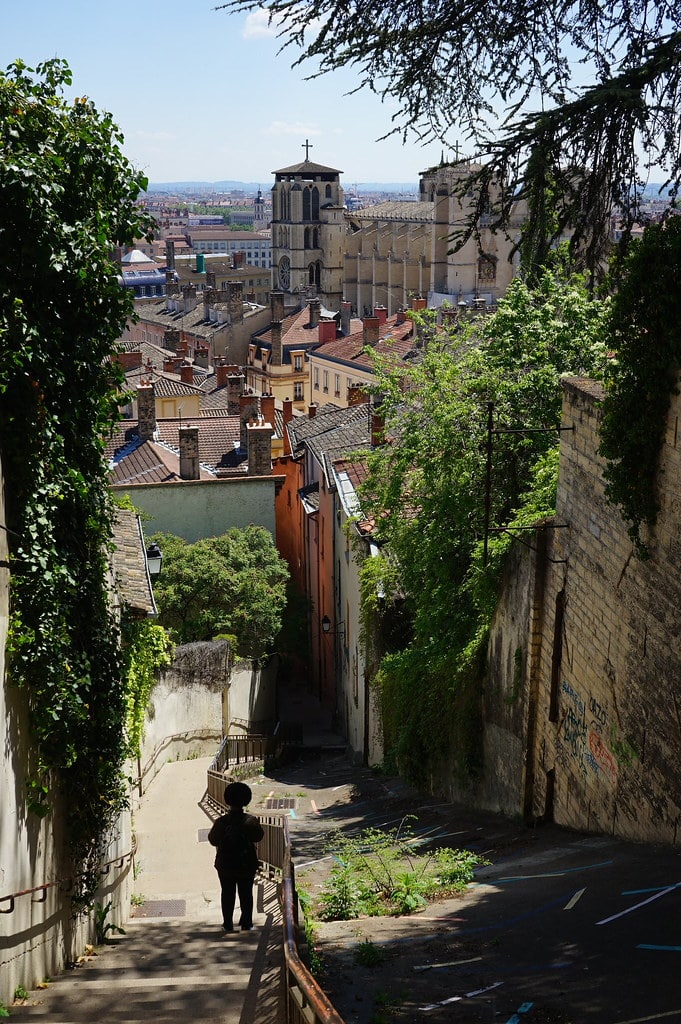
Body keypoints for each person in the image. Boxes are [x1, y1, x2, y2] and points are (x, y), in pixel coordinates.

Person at [208, 781, 264, 933]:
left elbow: (213, 839)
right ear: (246, 799)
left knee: (227, 892)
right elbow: (258, 836)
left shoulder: (221, 822)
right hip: (246, 862)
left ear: (227, 799)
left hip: (225, 863)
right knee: (246, 893)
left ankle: (227, 924)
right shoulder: (250, 821)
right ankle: (246, 923)